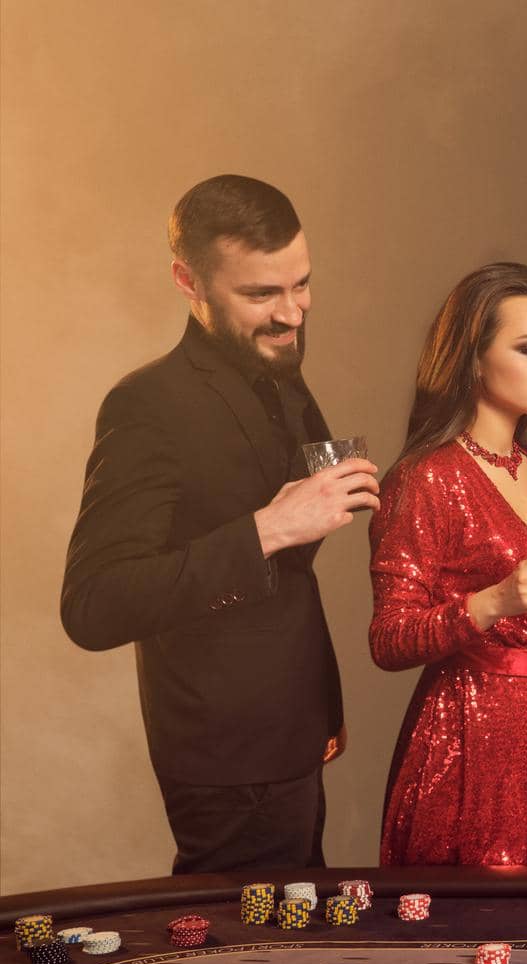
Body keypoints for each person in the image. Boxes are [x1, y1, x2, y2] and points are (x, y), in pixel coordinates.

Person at [61, 175, 378, 874]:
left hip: (295, 733)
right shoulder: (146, 405)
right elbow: (92, 604)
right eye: (262, 294)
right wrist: (265, 528)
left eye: (301, 284)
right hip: (227, 761)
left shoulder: (275, 360)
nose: (293, 313)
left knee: (287, 957)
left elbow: (286, 495)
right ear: (188, 281)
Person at [369, 262, 527, 866]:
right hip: (469, 741)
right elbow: (388, 640)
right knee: (470, 937)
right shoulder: (425, 477)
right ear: (472, 358)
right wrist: (491, 603)